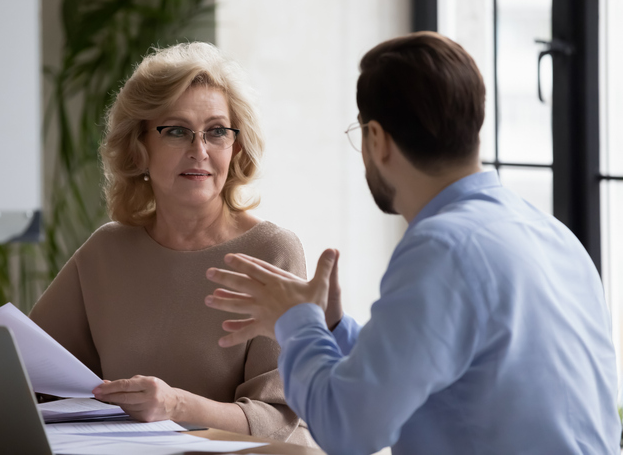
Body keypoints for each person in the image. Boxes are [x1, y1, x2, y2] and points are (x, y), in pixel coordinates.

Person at [204, 32, 620, 454]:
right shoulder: (553, 235)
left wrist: (296, 324)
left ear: (378, 140)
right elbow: (433, 366)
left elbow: (348, 431)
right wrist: (331, 328)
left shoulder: (442, 248)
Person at [29, 42, 315, 445]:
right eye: (177, 131)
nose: (200, 151)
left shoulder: (272, 250)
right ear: (139, 148)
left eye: (217, 131)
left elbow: (277, 418)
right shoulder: (107, 252)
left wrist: (176, 406)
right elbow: (26, 367)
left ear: (235, 148)